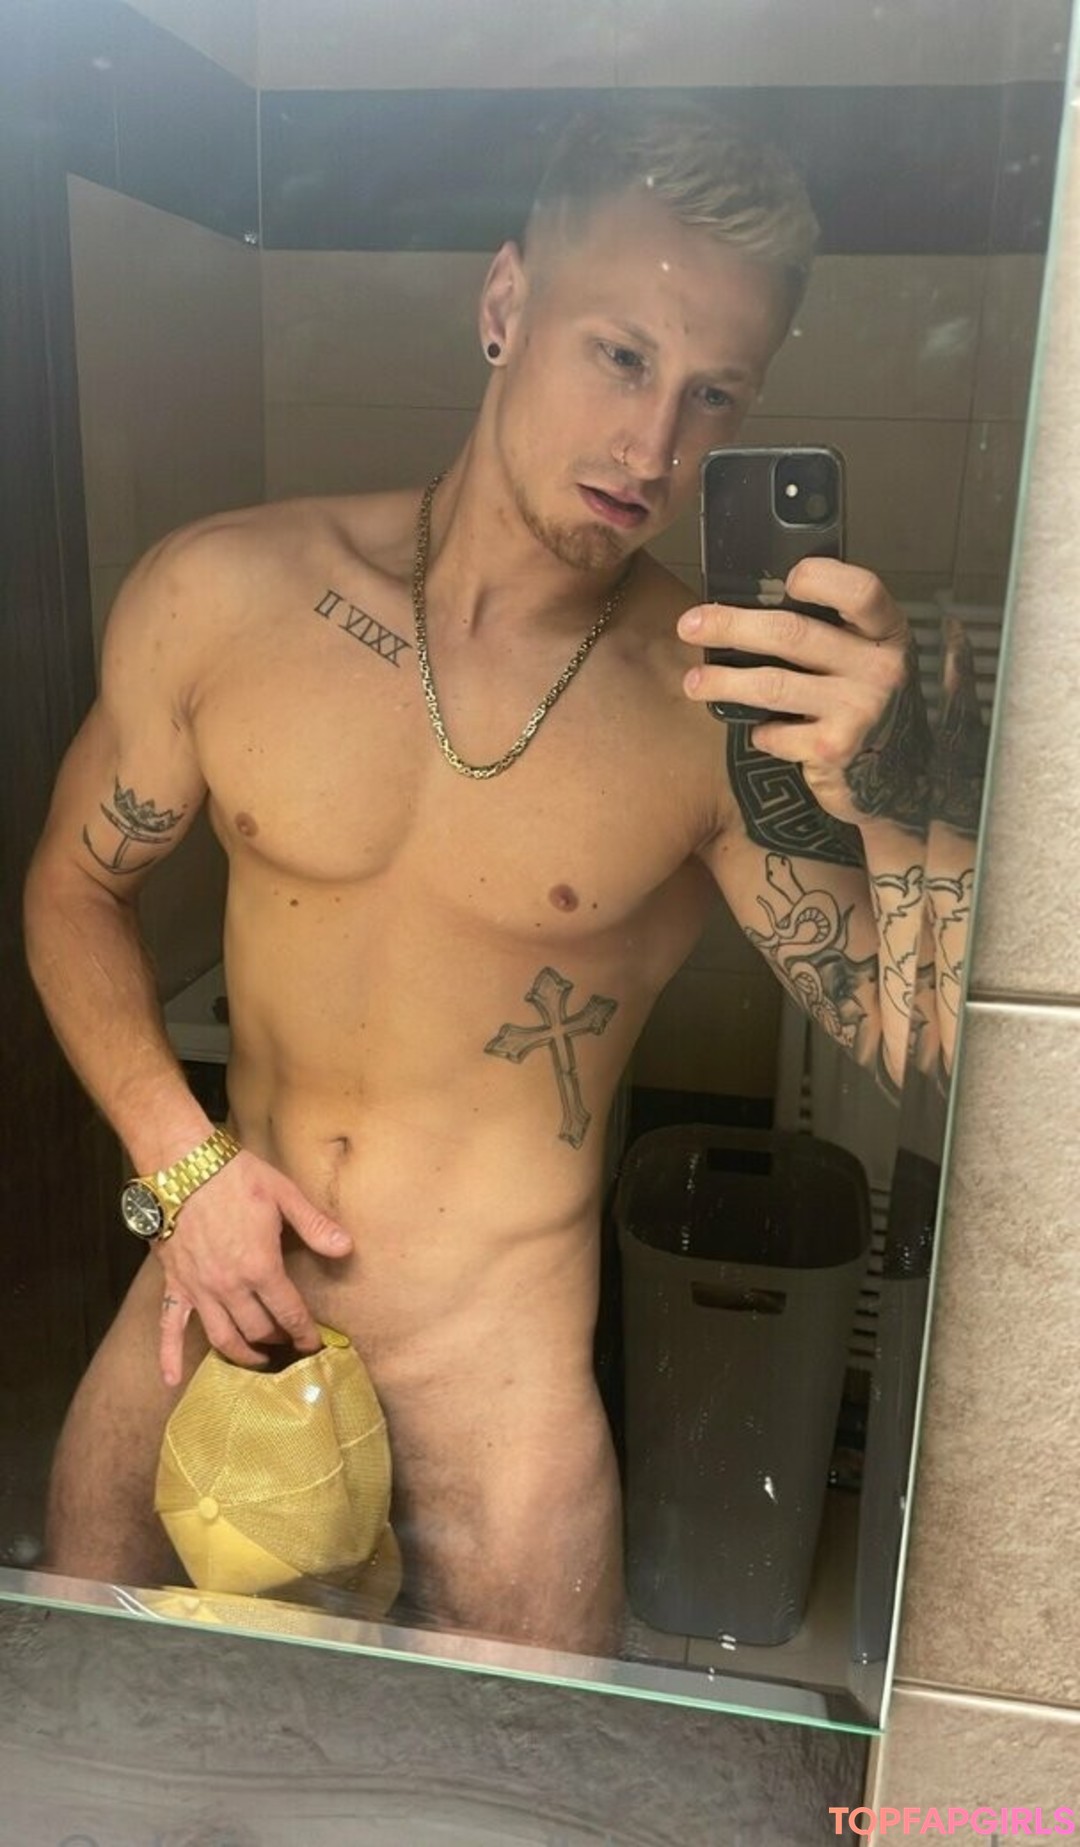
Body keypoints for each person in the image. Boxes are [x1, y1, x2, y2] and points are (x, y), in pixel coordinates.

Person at [24, 101, 927, 1653]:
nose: (653, 448)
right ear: (506, 301)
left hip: (491, 1392)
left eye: (714, 393)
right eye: (621, 355)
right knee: (87, 1722)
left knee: (507, 1779)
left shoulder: (717, 716)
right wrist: (180, 1167)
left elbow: (931, 1036)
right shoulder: (224, 595)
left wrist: (899, 788)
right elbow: (68, 891)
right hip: (219, 1298)